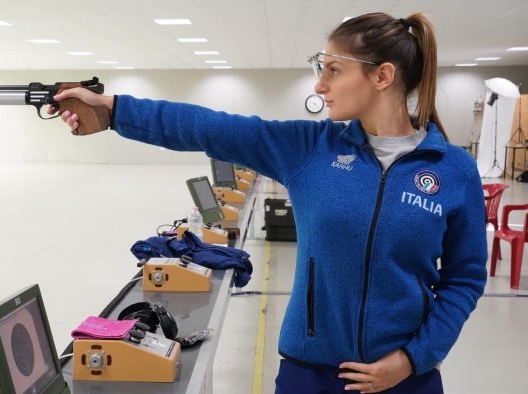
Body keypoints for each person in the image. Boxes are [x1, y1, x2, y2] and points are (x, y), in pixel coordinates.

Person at [50, 12, 487, 394]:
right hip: (310, 371)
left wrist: (414, 359)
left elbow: (464, 278)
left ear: (382, 76)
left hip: (405, 378)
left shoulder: (453, 170)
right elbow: (210, 128)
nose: (321, 84)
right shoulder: (311, 148)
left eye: (334, 69)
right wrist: (112, 110)